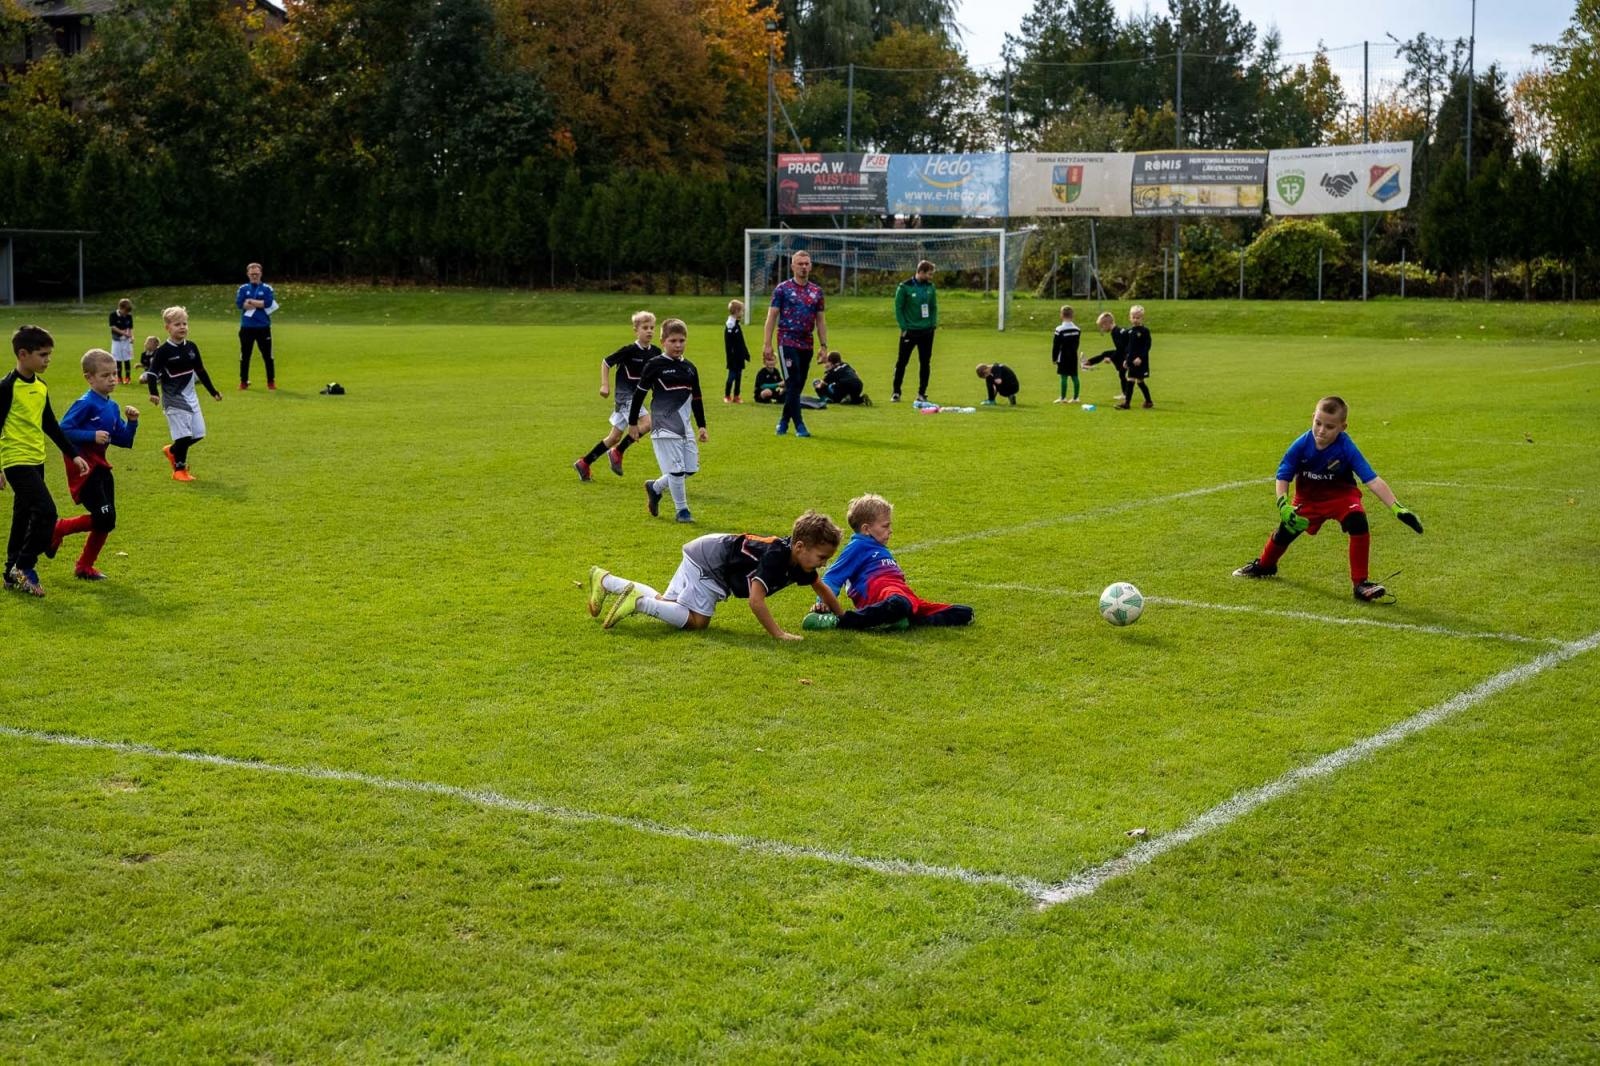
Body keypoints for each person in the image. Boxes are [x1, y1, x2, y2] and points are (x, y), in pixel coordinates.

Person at [1233, 395, 1424, 602]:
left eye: (1330, 427)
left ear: (1343, 427)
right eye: (1318, 423)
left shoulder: (1346, 447)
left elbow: (1372, 479)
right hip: (1309, 499)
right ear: (1313, 417)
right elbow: (1283, 475)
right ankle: (1265, 565)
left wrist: (1397, 508)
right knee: (1285, 531)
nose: (1321, 430)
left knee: (1358, 522)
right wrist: (1283, 505)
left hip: (1341, 496)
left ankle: (1360, 584)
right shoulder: (1301, 444)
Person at [585, 510, 845, 641]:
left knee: (668, 604)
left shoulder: (802, 564)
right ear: (800, 547)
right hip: (710, 563)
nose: (823, 563)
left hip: (704, 550)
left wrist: (844, 618)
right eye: (822, 557)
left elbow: (821, 588)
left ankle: (606, 580)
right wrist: (778, 634)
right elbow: (756, 601)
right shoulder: (777, 557)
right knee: (697, 622)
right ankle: (639, 603)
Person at [1, 325, 88, 596]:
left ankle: (9, 573)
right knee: (47, 512)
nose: (47, 360)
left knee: (23, 515)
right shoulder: (6, 387)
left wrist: (73, 453)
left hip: (36, 459)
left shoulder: (40, 386)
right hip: (16, 460)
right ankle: (25, 565)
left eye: (49, 354)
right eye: (43, 355)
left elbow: (50, 424)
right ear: (23, 354)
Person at [804, 493, 973, 630]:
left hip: (904, 596)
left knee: (964, 613)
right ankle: (843, 621)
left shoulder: (881, 548)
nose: (890, 531)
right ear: (866, 529)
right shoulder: (858, 546)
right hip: (883, 596)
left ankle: (897, 620)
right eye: (885, 526)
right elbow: (833, 577)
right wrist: (822, 604)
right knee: (898, 603)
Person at [52, 349, 138, 580]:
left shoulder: (112, 406)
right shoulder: (85, 403)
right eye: (105, 375)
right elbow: (63, 431)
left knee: (107, 521)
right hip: (84, 470)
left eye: (115, 374)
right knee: (104, 518)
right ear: (89, 378)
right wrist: (91, 436)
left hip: (101, 468)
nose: (112, 379)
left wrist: (132, 423)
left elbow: (123, 439)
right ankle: (58, 529)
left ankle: (84, 567)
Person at [629, 318, 706, 523]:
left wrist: (702, 426)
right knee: (676, 471)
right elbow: (639, 395)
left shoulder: (690, 367)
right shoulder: (654, 365)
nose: (678, 345)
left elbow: (697, 398)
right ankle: (682, 511)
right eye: (673, 341)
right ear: (663, 341)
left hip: (685, 426)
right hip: (663, 425)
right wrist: (632, 424)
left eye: (682, 340)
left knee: (691, 468)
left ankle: (655, 487)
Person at [574, 310, 657, 482]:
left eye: (652, 328)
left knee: (614, 437)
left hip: (636, 398)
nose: (649, 331)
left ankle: (584, 463)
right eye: (645, 328)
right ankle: (618, 452)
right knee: (648, 422)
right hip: (625, 397)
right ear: (636, 330)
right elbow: (606, 362)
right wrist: (605, 384)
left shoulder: (655, 352)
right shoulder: (629, 350)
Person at [147, 306, 222, 482]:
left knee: (199, 433)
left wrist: (213, 392)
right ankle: (179, 469)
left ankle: (172, 450)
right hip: (173, 399)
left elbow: (201, 371)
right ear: (167, 328)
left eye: (184, 323)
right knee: (184, 435)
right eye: (177, 324)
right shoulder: (163, 351)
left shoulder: (192, 347)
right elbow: (151, 373)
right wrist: (153, 393)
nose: (182, 327)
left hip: (191, 397)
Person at [761, 250, 828, 437]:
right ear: (792, 266)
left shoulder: (817, 292)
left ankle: (783, 420)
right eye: (800, 264)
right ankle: (800, 425)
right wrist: (767, 344)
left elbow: (821, 320)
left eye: (807, 263)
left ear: (811, 266)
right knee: (791, 382)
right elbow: (771, 316)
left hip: (807, 342)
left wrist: (824, 346)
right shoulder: (782, 289)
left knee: (797, 385)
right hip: (787, 340)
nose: (804, 267)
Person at [892, 259, 938, 403]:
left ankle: (922, 393)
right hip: (910, 331)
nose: (931, 277)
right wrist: (904, 327)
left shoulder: (931, 288)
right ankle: (896, 392)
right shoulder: (904, 287)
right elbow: (898, 309)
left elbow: (933, 307)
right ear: (921, 272)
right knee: (902, 362)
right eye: (929, 274)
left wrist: (933, 324)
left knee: (925, 363)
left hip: (927, 331)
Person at [235, 262, 276, 390]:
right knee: (245, 355)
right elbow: (240, 304)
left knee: (268, 356)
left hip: (263, 327)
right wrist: (259, 303)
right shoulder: (243, 288)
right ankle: (243, 381)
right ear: (248, 274)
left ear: (261, 274)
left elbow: (268, 303)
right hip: (247, 327)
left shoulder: (267, 288)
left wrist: (251, 301)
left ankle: (271, 381)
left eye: (256, 274)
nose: (254, 276)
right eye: (252, 274)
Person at [1083, 311, 1130, 405]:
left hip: (1127, 355)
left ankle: (1126, 394)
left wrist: (1111, 358)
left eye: (1102, 326)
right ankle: (1088, 362)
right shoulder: (1117, 330)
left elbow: (1121, 349)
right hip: (1125, 353)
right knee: (1106, 355)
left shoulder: (1115, 332)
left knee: (1121, 373)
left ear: (1108, 323)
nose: (1102, 329)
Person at [1121, 304, 1154, 409]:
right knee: (1131, 380)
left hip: (1141, 361)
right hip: (1131, 361)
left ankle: (1147, 402)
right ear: (1130, 318)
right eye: (1133, 317)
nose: (1135, 320)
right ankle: (1127, 403)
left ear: (1142, 318)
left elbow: (1147, 346)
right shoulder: (1129, 331)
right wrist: (1126, 360)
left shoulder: (1145, 331)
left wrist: (1140, 358)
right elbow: (1128, 348)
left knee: (1139, 381)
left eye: (1138, 318)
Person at [1052, 305, 1081, 403]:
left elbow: (1056, 345)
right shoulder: (1077, 329)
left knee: (1063, 376)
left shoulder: (1059, 329)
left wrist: (1054, 358)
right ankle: (1076, 398)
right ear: (1072, 315)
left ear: (1061, 315)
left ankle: (1063, 397)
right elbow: (1077, 344)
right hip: (1073, 356)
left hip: (1063, 356)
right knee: (1074, 376)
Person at [723, 300, 751, 403]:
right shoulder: (730, 325)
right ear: (736, 311)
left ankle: (736, 396)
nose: (743, 313)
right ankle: (727, 395)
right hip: (733, 357)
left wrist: (745, 353)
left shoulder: (736, 324)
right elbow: (729, 344)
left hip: (739, 356)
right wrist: (731, 357)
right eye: (742, 311)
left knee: (739, 377)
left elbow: (741, 341)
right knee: (732, 376)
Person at [109, 298, 135, 384]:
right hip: (117, 340)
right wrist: (123, 333)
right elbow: (113, 327)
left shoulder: (129, 316)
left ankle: (128, 377)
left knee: (127, 359)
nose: (126, 313)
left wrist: (131, 337)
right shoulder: (113, 315)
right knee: (117, 359)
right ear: (120, 308)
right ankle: (119, 377)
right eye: (125, 311)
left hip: (126, 341)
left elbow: (130, 328)